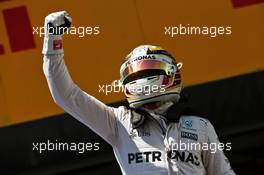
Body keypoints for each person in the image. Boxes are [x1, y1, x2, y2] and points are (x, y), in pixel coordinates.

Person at [42, 11, 236, 175]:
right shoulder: (119, 122)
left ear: (171, 73)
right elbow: (66, 95)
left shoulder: (200, 126)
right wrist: (53, 41)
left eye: (150, 72)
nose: (142, 80)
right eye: (134, 75)